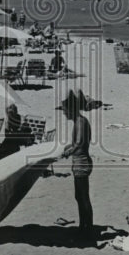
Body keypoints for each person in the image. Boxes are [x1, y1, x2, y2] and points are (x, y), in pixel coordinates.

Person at [58, 91, 94, 238]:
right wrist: (65, 148)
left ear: (71, 109)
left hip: (82, 163)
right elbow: (75, 143)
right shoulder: (80, 121)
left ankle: (87, 228)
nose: (64, 113)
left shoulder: (80, 122)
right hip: (79, 162)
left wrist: (67, 152)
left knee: (83, 196)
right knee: (79, 196)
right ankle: (84, 226)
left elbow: (79, 144)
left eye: (65, 110)